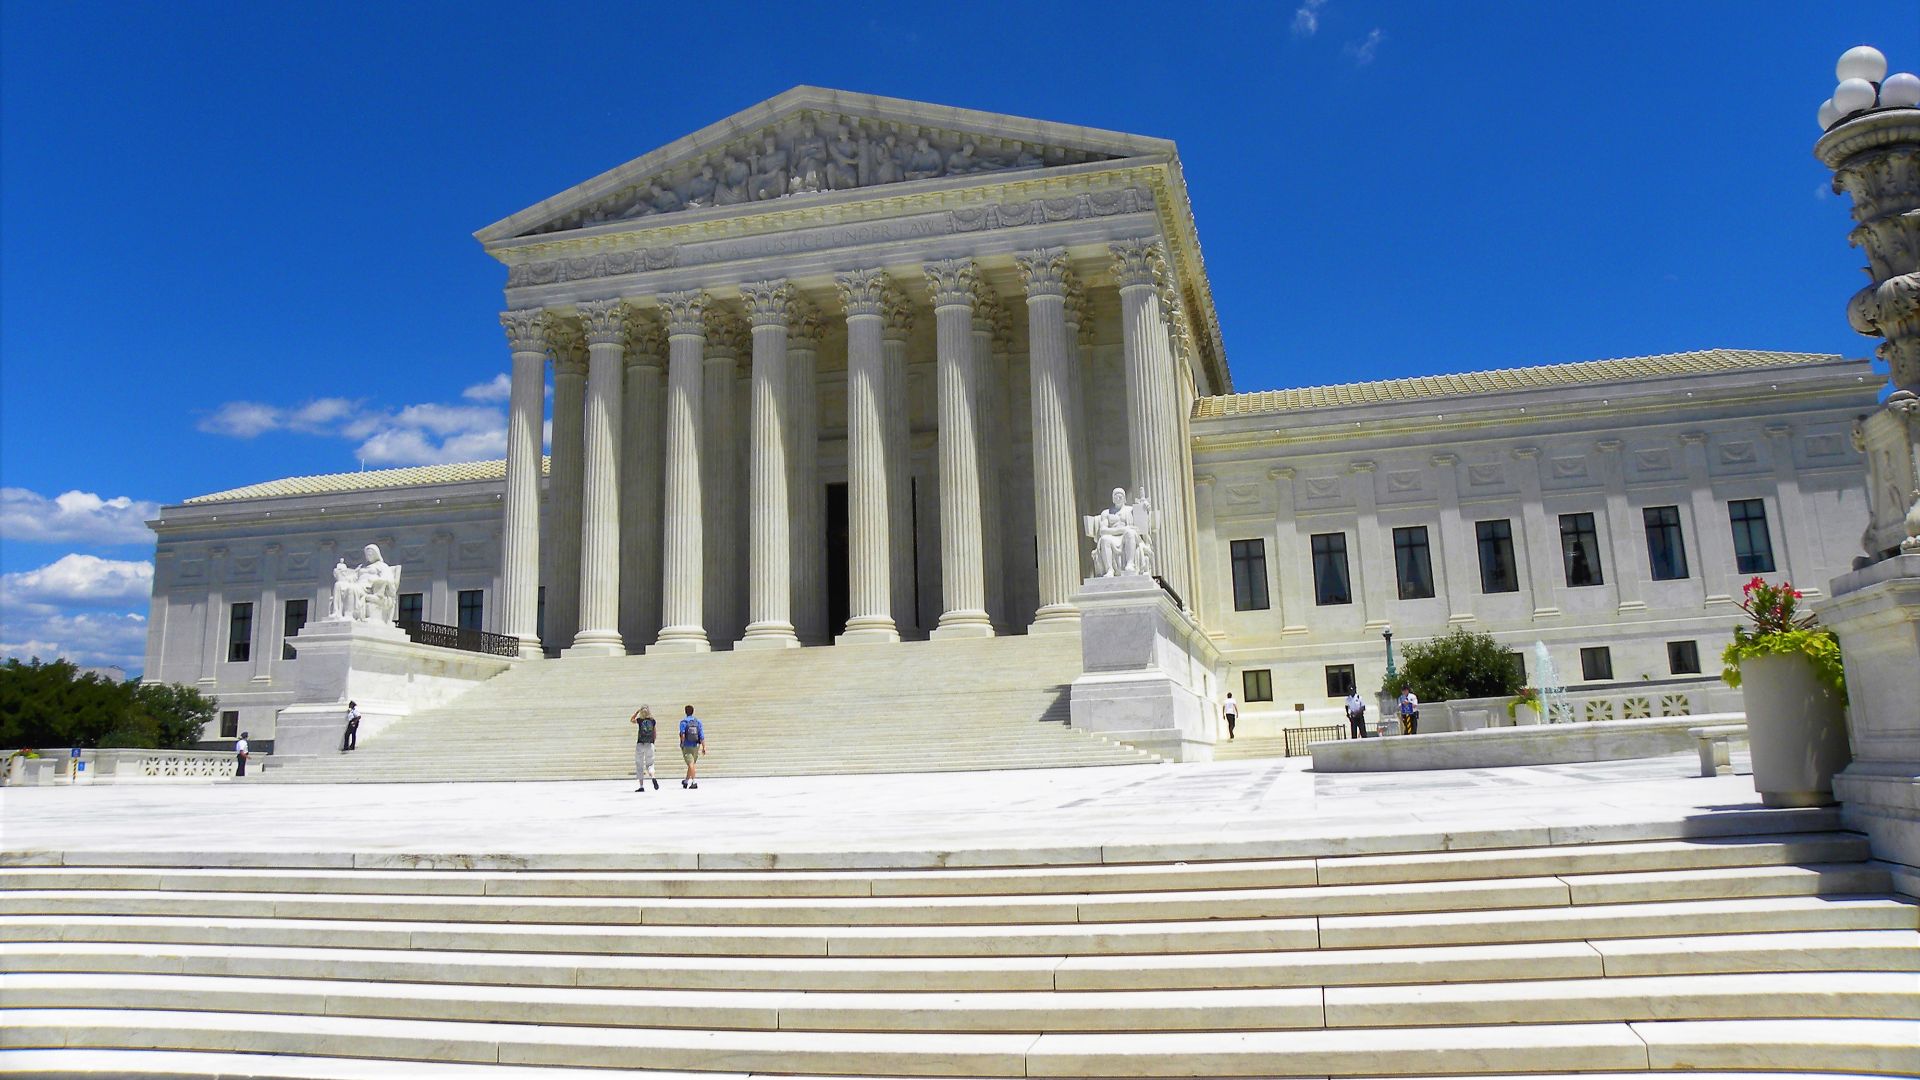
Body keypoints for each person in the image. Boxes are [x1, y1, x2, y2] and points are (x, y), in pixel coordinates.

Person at [630, 705, 658, 792]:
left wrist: (637, 712)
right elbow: (654, 734)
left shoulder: (640, 720)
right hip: (649, 744)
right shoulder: (652, 721)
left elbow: (632, 720)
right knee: (650, 764)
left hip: (640, 744)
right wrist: (653, 743)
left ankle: (641, 786)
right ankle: (653, 776)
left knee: (639, 765)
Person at [679, 705, 705, 789]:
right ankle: (686, 781)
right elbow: (701, 735)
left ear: (685, 712)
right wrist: (704, 746)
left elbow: (682, 734)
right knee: (692, 764)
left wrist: (682, 743)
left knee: (690, 764)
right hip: (696, 746)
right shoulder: (698, 722)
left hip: (687, 745)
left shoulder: (683, 722)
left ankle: (694, 782)